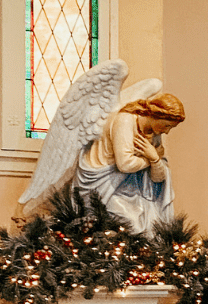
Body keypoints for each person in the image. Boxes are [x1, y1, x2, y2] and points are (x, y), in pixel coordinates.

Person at [75, 94, 186, 234]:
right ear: (156, 115)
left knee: (154, 223)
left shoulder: (153, 131)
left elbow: (158, 177)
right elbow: (125, 164)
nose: (167, 131)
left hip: (131, 188)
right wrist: (151, 158)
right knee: (133, 224)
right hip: (105, 186)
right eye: (167, 125)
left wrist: (155, 160)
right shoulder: (125, 121)